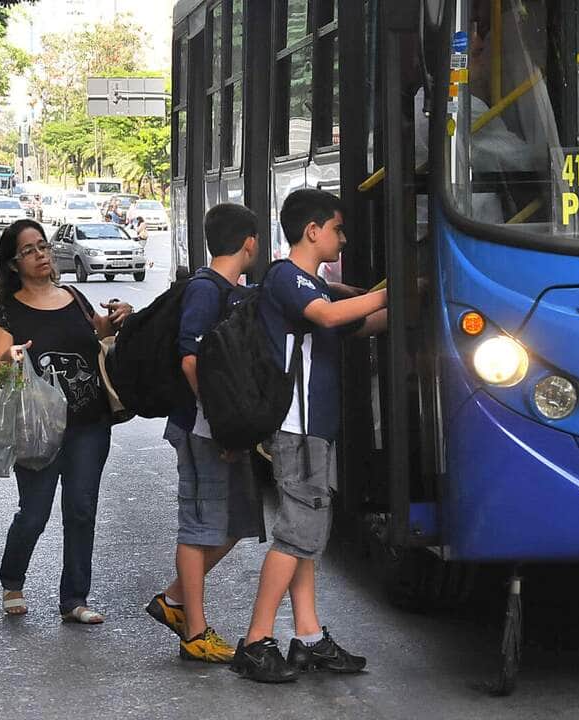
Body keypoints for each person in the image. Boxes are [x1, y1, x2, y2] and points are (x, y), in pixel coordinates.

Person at [231, 189, 387, 683]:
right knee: (296, 535)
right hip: (296, 428)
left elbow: (357, 324)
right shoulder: (288, 278)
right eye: (338, 229)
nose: (343, 239)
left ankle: (309, 636)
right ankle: (256, 641)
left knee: (306, 536)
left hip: (311, 428)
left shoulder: (314, 287)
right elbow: (330, 316)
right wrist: (395, 289)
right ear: (312, 231)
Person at [0, 219, 133, 623]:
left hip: (89, 423)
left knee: (81, 509)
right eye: (29, 250)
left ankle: (74, 599)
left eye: (43, 246)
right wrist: (11, 357)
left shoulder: (73, 296)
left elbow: (101, 332)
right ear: (14, 264)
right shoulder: (8, 312)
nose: (41, 255)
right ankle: (12, 580)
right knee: (34, 512)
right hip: (37, 429)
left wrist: (122, 316)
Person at [145, 203, 264, 663]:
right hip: (201, 428)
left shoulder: (231, 289)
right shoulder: (204, 289)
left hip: (216, 427)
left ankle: (174, 600)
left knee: (239, 521)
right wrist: (220, 425)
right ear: (250, 243)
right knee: (198, 527)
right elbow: (190, 360)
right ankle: (194, 632)